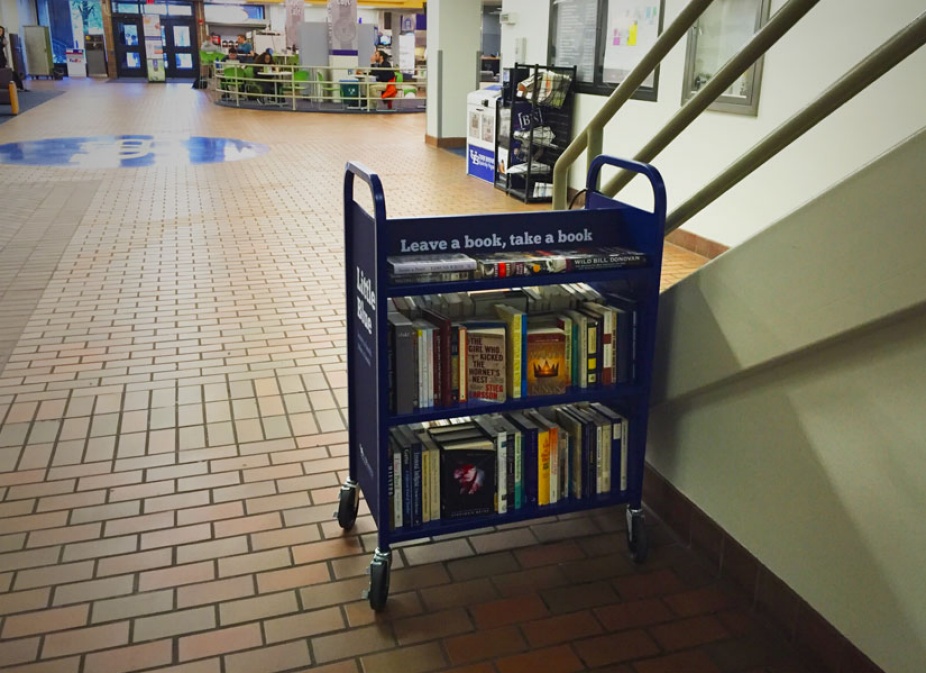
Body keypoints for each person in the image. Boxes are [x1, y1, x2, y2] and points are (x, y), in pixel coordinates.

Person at [0, 25, 28, 92]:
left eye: (1, 31)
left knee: (9, 73)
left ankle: (17, 86)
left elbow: (4, 44)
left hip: (1, 59)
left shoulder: (2, 39)